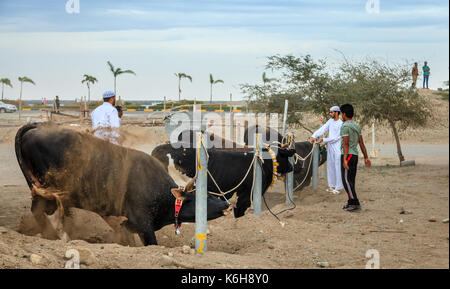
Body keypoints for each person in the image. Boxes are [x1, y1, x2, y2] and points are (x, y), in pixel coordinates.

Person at [339, 104, 371, 212]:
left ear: (344, 114)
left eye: (341, 114)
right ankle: (351, 202)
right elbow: (361, 143)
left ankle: (355, 203)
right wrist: (366, 157)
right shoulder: (356, 126)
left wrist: (344, 159)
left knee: (346, 181)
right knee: (351, 180)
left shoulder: (345, 126)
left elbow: (346, 144)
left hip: (348, 155)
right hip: (355, 155)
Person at [310, 106, 344, 194]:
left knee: (337, 167)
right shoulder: (330, 121)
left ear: (337, 113)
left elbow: (336, 138)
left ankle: (339, 187)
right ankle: (331, 186)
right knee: (330, 166)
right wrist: (314, 136)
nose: (330, 114)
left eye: (332, 112)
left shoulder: (341, 124)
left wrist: (324, 140)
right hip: (330, 148)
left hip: (337, 148)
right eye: (330, 112)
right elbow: (323, 129)